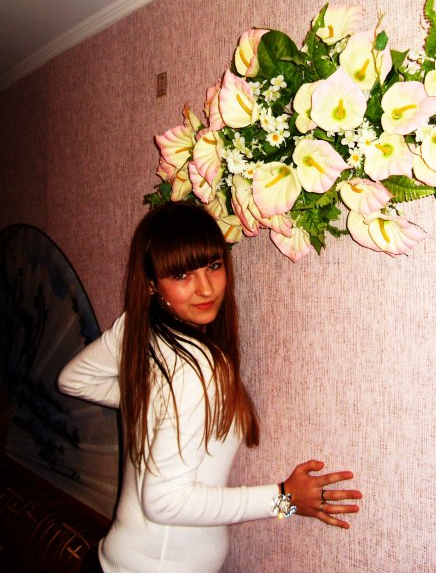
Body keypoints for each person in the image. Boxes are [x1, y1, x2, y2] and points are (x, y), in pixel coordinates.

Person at [58, 201, 362, 573]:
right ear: (152, 284)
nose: (205, 288)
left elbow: (72, 380)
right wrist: (285, 499)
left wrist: (152, 404)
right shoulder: (198, 367)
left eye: (213, 266)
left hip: (115, 559)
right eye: (182, 275)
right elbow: (164, 501)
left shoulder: (141, 330)